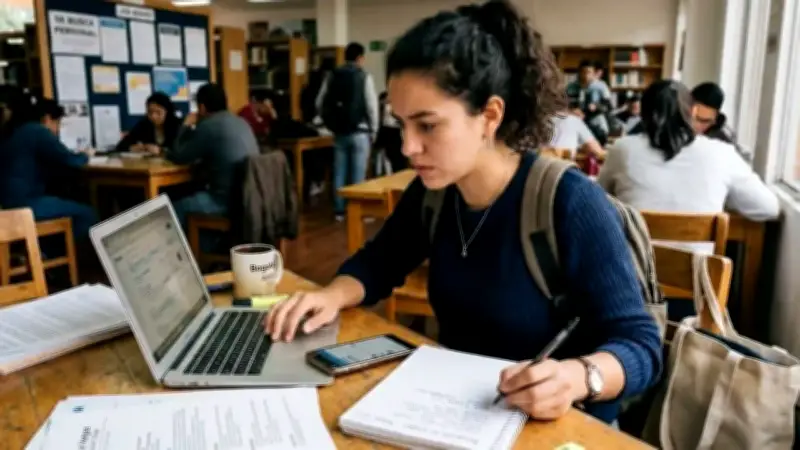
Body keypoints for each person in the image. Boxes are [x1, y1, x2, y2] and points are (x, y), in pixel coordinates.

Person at [266, 0, 661, 425]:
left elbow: (641, 344)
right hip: (461, 413)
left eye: (428, 126)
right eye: (401, 125)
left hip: (559, 425)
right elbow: (380, 262)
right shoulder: (435, 192)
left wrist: (577, 376)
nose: (407, 147)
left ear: (490, 115)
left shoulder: (570, 202)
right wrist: (330, 295)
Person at [598, 80, 779, 222]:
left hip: (631, 267)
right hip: (698, 268)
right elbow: (768, 208)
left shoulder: (622, 149)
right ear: (691, 112)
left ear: (643, 113)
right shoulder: (722, 153)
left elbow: (598, 202)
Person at [0, 91, 97, 240]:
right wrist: (86, 155)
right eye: (57, 123)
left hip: (5, 204)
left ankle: (43, 252)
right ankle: (58, 257)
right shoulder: (37, 131)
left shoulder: (11, 132)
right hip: (25, 204)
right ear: (47, 119)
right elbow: (71, 160)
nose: (57, 130)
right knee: (87, 213)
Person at [166, 83, 259, 227]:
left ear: (202, 107)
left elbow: (179, 155)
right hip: (251, 197)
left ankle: (191, 247)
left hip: (224, 201)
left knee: (173, 208)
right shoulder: (241, 122)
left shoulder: (208, 126)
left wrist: (185, 125)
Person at [317, 42, 379, 220]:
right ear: (360, 58)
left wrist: (329, 122)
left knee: (339, 171)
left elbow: (320, 102)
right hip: (360, 132)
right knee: (358, 173)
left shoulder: (332, 75)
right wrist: (374, 130)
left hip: (339, 132)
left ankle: (339, 211)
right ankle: (357, 211)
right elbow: (371, 106)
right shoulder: (364, 77)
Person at [115, 92, 181, 155]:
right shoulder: (143, 125)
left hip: (174, 165)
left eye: (158, 112)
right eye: (150, 112)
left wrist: (161, 150)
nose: (153, 116)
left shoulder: (178, 125)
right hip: (149, 165)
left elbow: (183, 149)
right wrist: (140, 147)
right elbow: (121, 146)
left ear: (167, 112)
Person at [376, 91, 405, 172]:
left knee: (398, 161)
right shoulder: (385, 98)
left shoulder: (398, 99)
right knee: (391, 159)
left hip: (395, 132)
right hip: (389, 132)